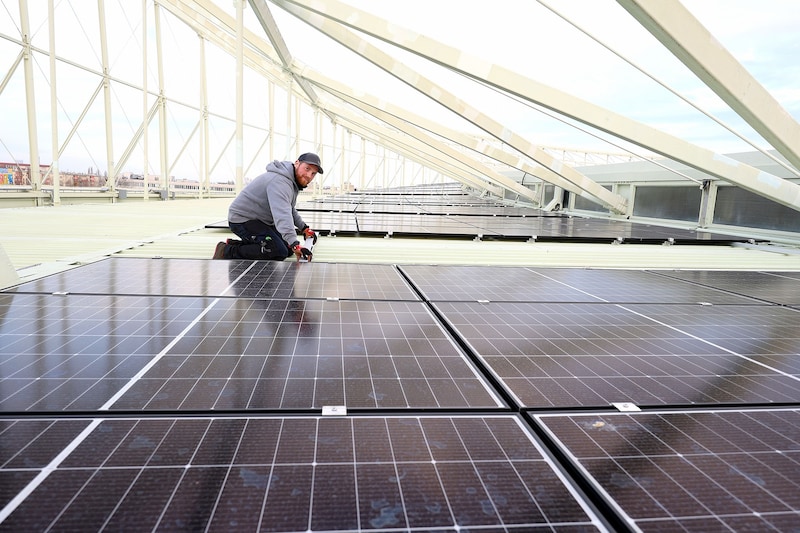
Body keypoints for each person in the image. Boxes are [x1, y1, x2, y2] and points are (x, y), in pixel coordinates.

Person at [213, 153, 321, 261]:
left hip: (260, 220)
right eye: (307, 168)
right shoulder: (280, 182)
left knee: (288, 249)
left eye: (313, 173)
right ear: (297, 163)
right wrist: (295, 244)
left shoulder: (291, 182)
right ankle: (226, 250)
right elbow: (282, 215)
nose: (309, 175)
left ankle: (242, 244)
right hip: (243, 219)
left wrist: (304, 228)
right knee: (278, 251)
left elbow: (289, 209)